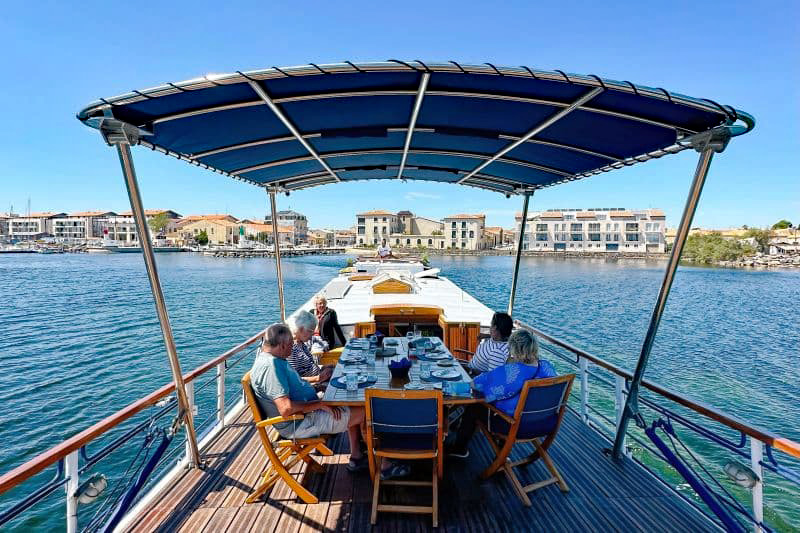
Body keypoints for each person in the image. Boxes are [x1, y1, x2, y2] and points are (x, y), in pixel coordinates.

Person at [250, 323, 367, 471]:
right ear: (283, 345)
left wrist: (318, 380)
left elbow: (292, 383)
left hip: (305, 413)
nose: (292, 348)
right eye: (291, 345)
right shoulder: (271, 367)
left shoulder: (269, 358)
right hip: (299, 423)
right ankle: (379, 460)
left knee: (352, 399)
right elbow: (286, 409)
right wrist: (319, 404)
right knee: (365, 411)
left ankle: (357, 455)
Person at [448, 329, 556, 458]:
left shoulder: (511, 372)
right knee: (511, 405)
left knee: (474, 407)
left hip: (516, 426)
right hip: (546, 423)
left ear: (514, 349)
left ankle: (459, 448)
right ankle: (502, 453)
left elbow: (477, 384)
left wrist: (448, 388)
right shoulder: (547, 367)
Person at [287, 311, 333, 390]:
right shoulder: (291, 350)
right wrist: (318, 378)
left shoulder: (301, 343)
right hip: (310, 386)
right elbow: (294, 380)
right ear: (300, 329)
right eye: (311, 331)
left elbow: (307, 367)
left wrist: (322, 368)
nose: (313, 334)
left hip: (319, 380)